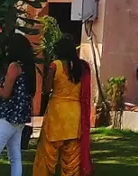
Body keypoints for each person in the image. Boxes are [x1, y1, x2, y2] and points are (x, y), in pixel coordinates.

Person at [0, 32, 36, 176]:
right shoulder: (28, 67)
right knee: (15, 157)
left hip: (8, 117)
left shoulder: (14, 66)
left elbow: (5, 94)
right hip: (20, 118)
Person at [33, 35, 92, 176]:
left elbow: (46, 90)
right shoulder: (81, 67)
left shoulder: (55, 65)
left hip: (57, 114)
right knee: (71, 157)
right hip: (75, 115)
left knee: (48, 152)